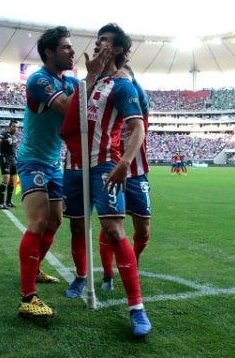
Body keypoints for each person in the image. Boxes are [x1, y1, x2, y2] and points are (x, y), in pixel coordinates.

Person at [60, 23, 151, 337]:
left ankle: (136, 307)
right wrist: (88, 77)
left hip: (104, 166)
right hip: (72, 166)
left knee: (113, 230)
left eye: (104, 41)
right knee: (75, 226)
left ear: (116, 50)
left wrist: (125, 162)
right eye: (97, 40)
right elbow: (69, 125)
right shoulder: (81, 84)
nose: (97, 44)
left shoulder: (122, 86)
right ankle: (82, 276)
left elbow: (137, 128)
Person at [16, 26, 87, 319]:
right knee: (38, 220)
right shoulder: (39, 80)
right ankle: (27, 297)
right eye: (66, 47)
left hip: (53, 163)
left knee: (56, 220)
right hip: (32, 159)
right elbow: (68, 108)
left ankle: (35, 266)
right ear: (49, 52)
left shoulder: (68, 82)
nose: (72, 52)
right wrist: (91, 79)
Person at [98, 64, 151, 293]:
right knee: (110, 225)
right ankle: (108, 273)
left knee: (143, 228)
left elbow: (144, 100)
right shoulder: (107, 113)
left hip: (137, 174)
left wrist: (132, 79)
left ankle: (134, 257)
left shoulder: (138, 109)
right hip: (111, 171)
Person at [0, 120, 19, 209]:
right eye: (14, 126)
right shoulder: (4, 134)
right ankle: (1, 203)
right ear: (9, 127)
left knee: (12, 181)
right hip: (5, 159)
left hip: (13, 159)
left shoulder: (15, 137)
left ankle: (8, 202)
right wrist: (5, 141)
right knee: (6, 179)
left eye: (17, 127)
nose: (15, 128)